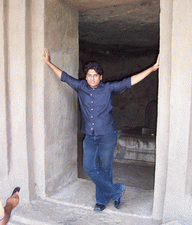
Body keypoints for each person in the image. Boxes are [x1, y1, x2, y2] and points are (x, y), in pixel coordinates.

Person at [43, 48, 159, 211]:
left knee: (105, 168)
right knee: (89, 166)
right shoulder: (81, 86)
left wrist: (152, 69)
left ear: (100, 77)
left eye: (95, 75)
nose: (91, 78)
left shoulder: (108, 88)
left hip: (107, 135)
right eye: (89, 75)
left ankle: (102, 201)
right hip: (89, 136)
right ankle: (116, 192)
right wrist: (48, 62)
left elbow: (129, 81)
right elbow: (64, 76)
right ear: (86, 77)